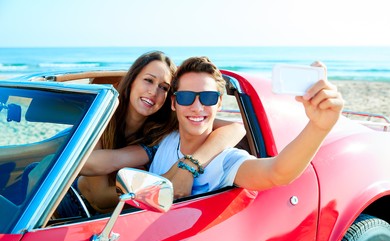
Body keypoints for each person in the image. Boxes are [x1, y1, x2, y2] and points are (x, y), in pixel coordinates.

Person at [56, 51, 245, 216]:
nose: (153, 92)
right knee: (37, 164)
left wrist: (188, 165)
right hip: (68, 198)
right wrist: (167, 175)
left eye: (163, 87)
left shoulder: (166, 129)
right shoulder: (104, 116)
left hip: (104, 214)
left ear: (170, 97)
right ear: (131, 81)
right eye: (148, 80)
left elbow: (237, 128)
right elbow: (97, 194)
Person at [149, 56, 344, 198]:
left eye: (208, 98)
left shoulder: (226, 161)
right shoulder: (167, 141)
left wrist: (319, 127)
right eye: (186, 97)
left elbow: (277, 172)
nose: (197, 107)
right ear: (174, 103)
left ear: (219, 104)